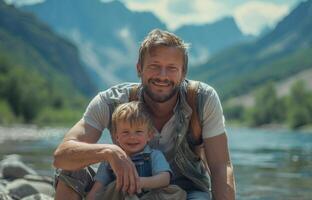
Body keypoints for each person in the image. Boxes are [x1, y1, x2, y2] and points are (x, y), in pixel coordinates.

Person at [53, 29, 236, 200]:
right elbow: (61, 156)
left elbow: (221, 167)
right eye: (154, 66)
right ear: (139, 68)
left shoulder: (202, 99)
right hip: (125, 190)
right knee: (71, 170)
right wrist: (110, 152)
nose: (162, 76)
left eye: (172, 68)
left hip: (185, 192)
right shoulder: (111, 102)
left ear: (183, 73)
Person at [86, 101, 185, 200]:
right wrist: (91, 196)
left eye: (138, 132)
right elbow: (98, 186)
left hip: (148, 195)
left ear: (149, 135)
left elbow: (165, 178)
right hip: (120, 196)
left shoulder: (153, 155)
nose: (132, 137)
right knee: (114, 187)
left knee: (175, 192)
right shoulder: (110, 159)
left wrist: (140, 182)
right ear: (116, 136)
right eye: (125, 132)